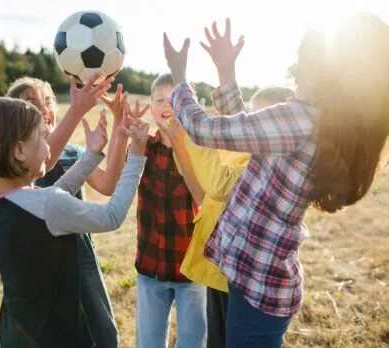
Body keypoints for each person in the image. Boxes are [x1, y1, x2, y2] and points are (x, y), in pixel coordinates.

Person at [163, 14, 389, 347]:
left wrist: (179, 79)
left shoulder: (299, 119)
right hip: (258, 279)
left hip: (258, 286)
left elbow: (204, 130)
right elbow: (251, 132)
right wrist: (226, 71)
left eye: (302, 61)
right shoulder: (317, 124)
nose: (295, 69)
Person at [0, 96, 148, 348]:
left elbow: (54, 194)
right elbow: (111, 216)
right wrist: (136, 157)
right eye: (42, 136)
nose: (50, 144)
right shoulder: (49, 205)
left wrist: (91, 156)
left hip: (19, 331)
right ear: (19, 150)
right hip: (58, 334)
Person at [159, 86, 294, 348]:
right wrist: (180, 145)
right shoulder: (244, 155)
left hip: (238, 275)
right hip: (219, 269)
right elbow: (202, 196)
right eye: (251, 115)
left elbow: (217, 184)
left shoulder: (260, 167)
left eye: (258, 117)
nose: (250, 124)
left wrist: (192, 136)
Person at [135, 73, 207, 348]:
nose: (167, 106)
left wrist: (180, 145)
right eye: (160, 100)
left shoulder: (200, 149)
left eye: (176, 100)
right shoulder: (145, 147)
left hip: (192, 268)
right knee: (149, 342)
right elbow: (119, 181)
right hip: (150, 266)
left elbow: (201, 197)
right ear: (151, 107)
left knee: (193, 341)